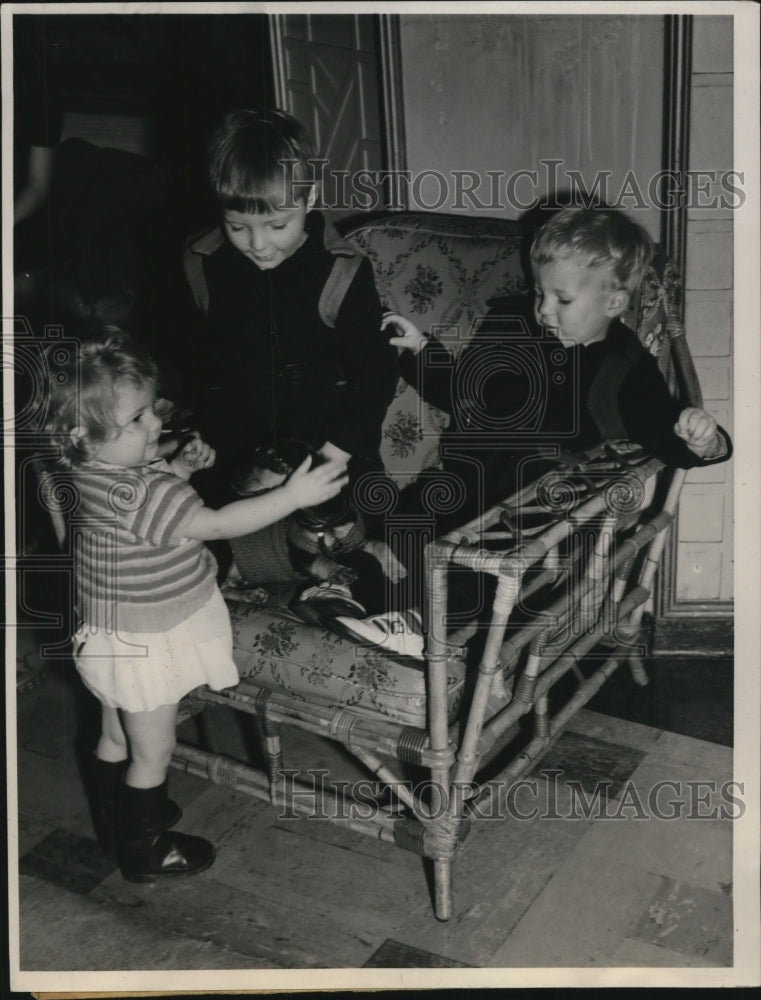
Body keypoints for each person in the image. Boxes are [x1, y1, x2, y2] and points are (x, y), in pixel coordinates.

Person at [336, 206, 732, 655]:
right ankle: (352, 589)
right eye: (539, 293)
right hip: (468, 483)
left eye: (561, 300)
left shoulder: (626, 371)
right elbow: (467, 391)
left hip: (542, 513)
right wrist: (421, 349)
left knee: (483, 564)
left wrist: (704, 438)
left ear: (614, 302)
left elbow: (665, 430)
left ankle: (424, 624)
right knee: (402, 520)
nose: (544, 309)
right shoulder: (518, 331)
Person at [43, 328, 347, 882]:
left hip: (111, 635)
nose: (156, 425)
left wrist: (177, 467)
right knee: (153, 753)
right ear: (83, 435)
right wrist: (291, 497)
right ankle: (145, 851)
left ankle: (119, 822)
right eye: (135, 421)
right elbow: (217, 523)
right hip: (148, 642)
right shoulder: (147, 492)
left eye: (150, 410)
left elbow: (142, 523)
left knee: (116, 735)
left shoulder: (84, 471)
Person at [182, 108, 398, 515]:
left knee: (369, 536)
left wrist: (337, 452)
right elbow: (200, 359)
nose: (259, 244)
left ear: (310, 198)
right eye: (238, 226)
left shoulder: (344, 271)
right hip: (236, 447)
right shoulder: (201, 262)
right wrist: (201, 432)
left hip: (329, 443)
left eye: (277, 225)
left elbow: (377, 372)